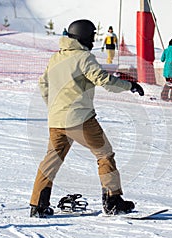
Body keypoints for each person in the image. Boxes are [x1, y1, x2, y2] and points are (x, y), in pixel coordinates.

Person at [30, 19, 144, 218]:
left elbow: (43, 84)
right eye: (91, 36)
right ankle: (113, 200)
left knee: (51, 160)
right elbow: (104, 80)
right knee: (105, 155)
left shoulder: (56, 58)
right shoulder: (84, 57)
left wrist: (55, 108)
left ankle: (38, 204)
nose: (93, 40)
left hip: (57, 120)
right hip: (80, 120)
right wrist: (130, 86)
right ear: (83, 36)